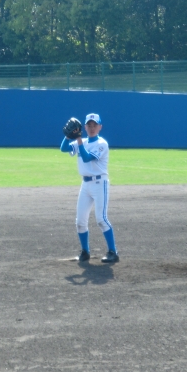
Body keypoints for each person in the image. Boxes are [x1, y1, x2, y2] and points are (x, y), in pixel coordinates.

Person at [60, 113, 119, 263]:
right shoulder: (83, 141)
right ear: (85, 127)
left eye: (95, 125)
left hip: (100, 183)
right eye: (89, 125)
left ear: (100, 127)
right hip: (85, 185)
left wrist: (78, 139)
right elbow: (63, 148)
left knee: (101, 219)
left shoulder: (102, 143)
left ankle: (113, 252)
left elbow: (86, 158)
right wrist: (68, 136)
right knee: (80, 221)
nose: (92, 128)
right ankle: (85, 252)